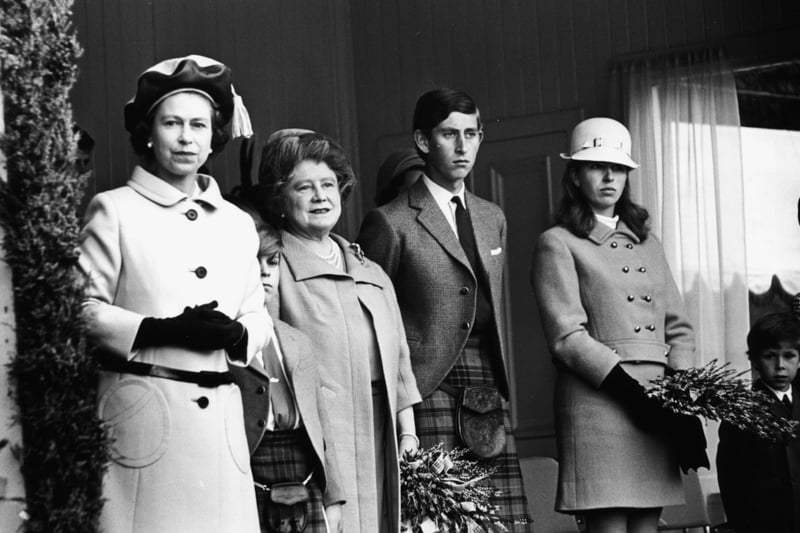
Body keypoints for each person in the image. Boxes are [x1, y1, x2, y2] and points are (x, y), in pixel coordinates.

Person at [79, 55, 266, 533]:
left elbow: (257, 314)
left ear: (213, 135)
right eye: (172, 123)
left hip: (219, 432)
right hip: (143, 422)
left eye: (198, 125)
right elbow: (80, 310)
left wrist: (239, 334)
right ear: (148, 132)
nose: (186, 137)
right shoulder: (115, 210)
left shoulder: (237, 223)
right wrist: (156, 329)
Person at [357, 88, 532, 531]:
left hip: (486, 381)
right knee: (439, 523)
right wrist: (400, 410)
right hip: (425, 386)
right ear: (422, 141)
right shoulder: (390, 220)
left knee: (498, 522)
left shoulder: (493, 216)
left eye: (471, 134)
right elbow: (375, 324)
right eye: (449, 134)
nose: (462, 146)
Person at [530, 117, 709, 533]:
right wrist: (632, 394)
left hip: (658, 403)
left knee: (647, 527)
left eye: (618, 167)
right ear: (575, 175)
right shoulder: (557, 243)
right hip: (600, 404)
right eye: (596, 166)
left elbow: (678, 327)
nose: (609, 176)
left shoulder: (648, 242)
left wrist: (682, 401)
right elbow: (567, 337)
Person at [258, 131, 421, 533]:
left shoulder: (370, 271)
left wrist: (409, 434)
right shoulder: (273, 271)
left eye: (328, 184)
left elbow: (400, 363)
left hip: (381, 431)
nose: (320, 196)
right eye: (304, 187)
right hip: (318, 444)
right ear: (281, 198)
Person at [226, 206, 345, 533]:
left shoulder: (297, 340)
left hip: (302, 470)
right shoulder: (223, 342)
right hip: (251, 470)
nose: (265, 272)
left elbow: (321, 425)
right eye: (255, 262)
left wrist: (333, 496)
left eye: (273, 262)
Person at [717, 312, 800, 533]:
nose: (780, 365)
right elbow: (730, 479)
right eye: (770, 356)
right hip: (763, 524)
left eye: (789, 355)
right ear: (754, 360)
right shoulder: (741, 411)